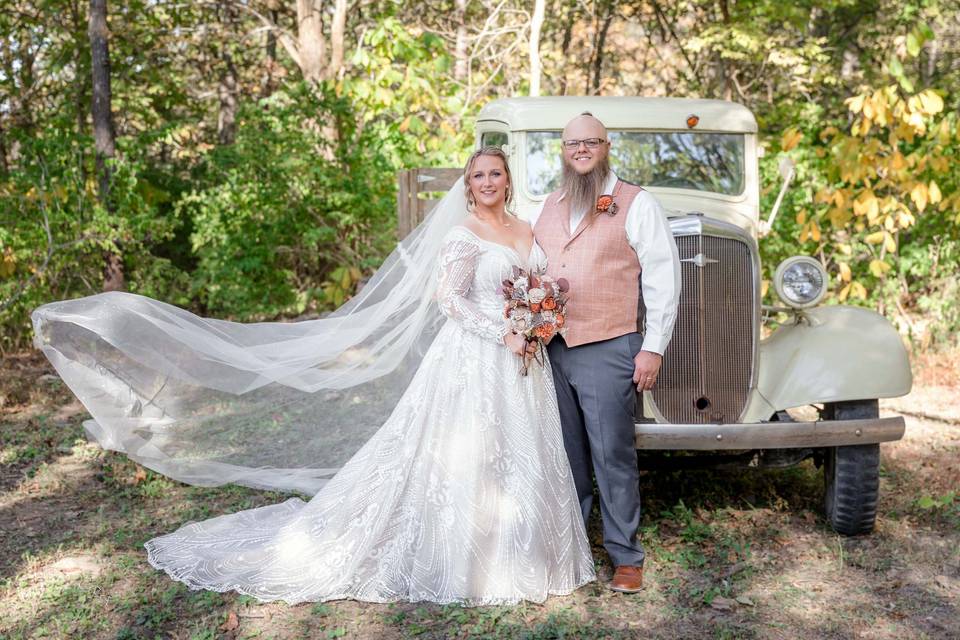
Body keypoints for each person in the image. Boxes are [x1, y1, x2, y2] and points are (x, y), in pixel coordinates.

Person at [32, 147, 595, 605]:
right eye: (479, 175)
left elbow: (539, 286)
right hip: (478, 355)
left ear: (508, 179)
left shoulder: (526, 228)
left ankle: (527, 555)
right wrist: (505, 332)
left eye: (496, 173)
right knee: (469, 451)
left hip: (526, 359)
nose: (489, 181)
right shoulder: (463, 232)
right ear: (468, 185)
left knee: (522, 452)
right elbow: (449, 299)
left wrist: (539, 323)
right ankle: (466, 561)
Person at [527, 112, 682, 593]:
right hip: (554, 350)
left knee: (612, 454)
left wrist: (652, 348)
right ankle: (571, 552)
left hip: (611, 345)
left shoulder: (637, 202)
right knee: (566, 456)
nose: (581, 150)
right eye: (573, 142)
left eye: (590, 142)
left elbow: (662, 277)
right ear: (563, 149)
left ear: (606, 146)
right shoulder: (549, 205)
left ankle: (626, 557)